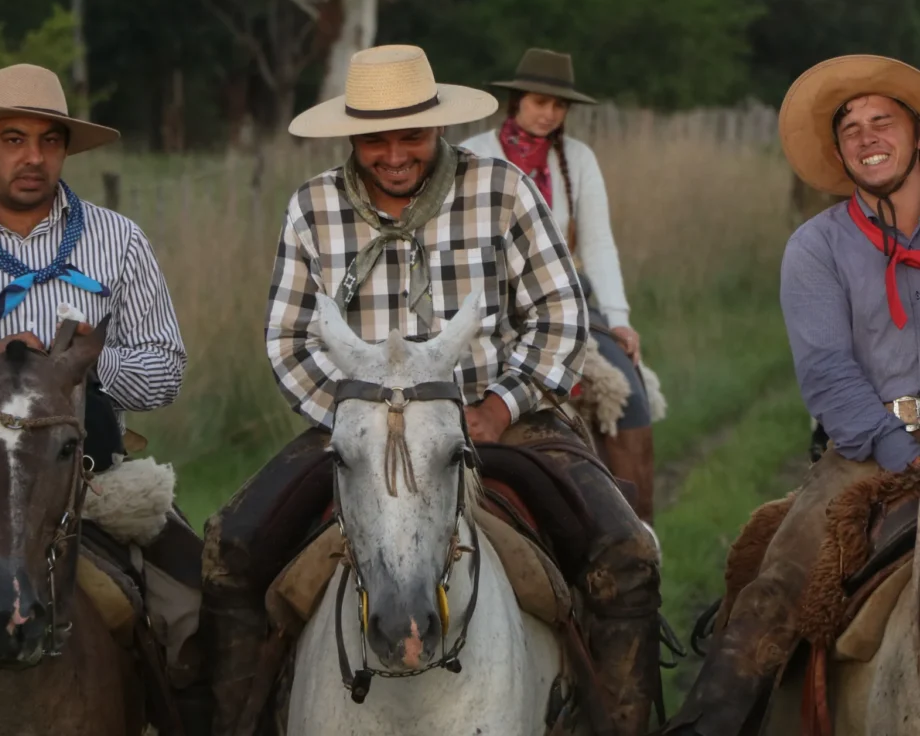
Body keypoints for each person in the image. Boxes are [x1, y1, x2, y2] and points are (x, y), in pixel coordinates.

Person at [202, 44, 662, 736]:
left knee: (624, 554)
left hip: (497, 416)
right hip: (355, 423)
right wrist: (354, 418)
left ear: (438, 128)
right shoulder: (313, 207)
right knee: (231, 550)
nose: (394, 153)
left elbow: (562, 316)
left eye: (411, 134)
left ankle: (621, 724)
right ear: (353, 136)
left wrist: (502, 404)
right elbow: (287, 340)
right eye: (376, 137)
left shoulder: (501, 191)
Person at [0, 63, 206, 732]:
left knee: (196, 605)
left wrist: (81, 367)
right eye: (14, 139)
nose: (34, 157)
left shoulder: (118, 240)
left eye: (50, 141)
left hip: (91, 475)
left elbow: (165, 368)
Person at [664, 53, 920, 735]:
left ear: (915, 134)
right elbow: (830, 373)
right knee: (769, 600)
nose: (867, 136)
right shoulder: (817, 247)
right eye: (851, 129)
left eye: (882, 121)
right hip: (868, 454)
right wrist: (903, 453)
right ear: (839, 152)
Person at [462, 48, 654, 523]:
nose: (548, 114)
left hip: (568, 302)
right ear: (516, 101)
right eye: (538, 102)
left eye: (558, 106)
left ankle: (635, 534)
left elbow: (599, 244)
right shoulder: (473, 154)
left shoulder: (578, 159)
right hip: (488, 305)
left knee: (627, 393)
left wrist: (620, 320)